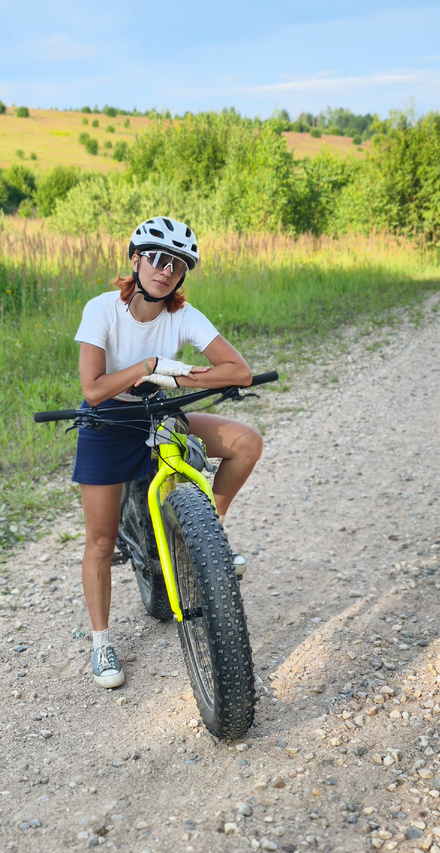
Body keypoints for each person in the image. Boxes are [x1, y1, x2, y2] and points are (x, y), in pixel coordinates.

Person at [73, 216, 263, 689]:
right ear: (136, 260)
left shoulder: (183, 314)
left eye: (177, 265)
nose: (165, 270)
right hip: (107, 423)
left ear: (181, 275)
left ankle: (206, 537)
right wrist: (149, 365)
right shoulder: (102, 309)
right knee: (101, 541)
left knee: (246, 443)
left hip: (159, 413)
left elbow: (238, 371)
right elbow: (93, 389)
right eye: (157, 259)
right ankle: (101, 643)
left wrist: (175, 377)